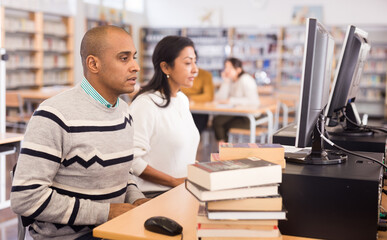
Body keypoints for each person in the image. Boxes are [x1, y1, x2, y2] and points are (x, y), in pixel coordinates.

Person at [10, 25, 149, 240]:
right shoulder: (54, 115)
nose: (136, 67)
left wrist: (136, 199)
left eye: (134, 57)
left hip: (115, 228)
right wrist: (107, 212)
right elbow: (26, 198)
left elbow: (122, 175)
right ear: (93, 64)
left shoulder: (124, 112)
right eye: (124, 58)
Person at [129, 35, 200, 198]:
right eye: (188, 63)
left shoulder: (181, 99)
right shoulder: (145, 104)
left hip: (184, 189)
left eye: (195, 62)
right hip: (156, 194)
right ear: (166, 67)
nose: (195, 69)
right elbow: (132, 161)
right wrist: (174, 181)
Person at [213, 57, 260, 142]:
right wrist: (226, 81)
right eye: (225, 67)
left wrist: (231, 100)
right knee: (217, 121)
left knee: (220, 123)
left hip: (249, 117)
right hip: (237, 113)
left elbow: (253, 101)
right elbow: (220, 98)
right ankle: (223, 150)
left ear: (238, 69)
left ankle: (224, 150)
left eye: (230, 67)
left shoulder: (246, 79)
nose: (226, 70)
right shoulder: (230, 81)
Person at [181, 68, 214, 133]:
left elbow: (209, 96)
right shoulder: (178, 74)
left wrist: (190, 98)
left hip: (199, 112)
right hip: (181, 110)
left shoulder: (205, 75)